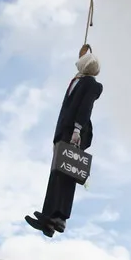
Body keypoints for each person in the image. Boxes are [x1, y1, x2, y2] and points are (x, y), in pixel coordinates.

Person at [25, 44, 103, 237]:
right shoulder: (77, 80)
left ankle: (60, 218)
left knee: (65, 174)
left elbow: (85, 108)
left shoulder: (92, 84)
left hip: (74, 132)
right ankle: (49, 219)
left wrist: (77, 129)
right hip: (64, 131)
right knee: (57, 173)